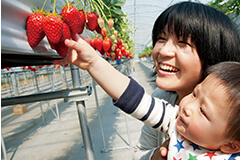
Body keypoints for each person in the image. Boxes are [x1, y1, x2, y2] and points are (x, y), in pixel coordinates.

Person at [52, 35, 240, 159]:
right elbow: (134, 98)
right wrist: (94, 63)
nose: (188, 107)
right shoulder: (175, 122)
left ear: (231, 145)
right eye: (194, 94)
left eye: (203, 111)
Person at [132, 1, 240, 159]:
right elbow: (140, 150)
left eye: (183, 43)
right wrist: (155, 156)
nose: (164, 51)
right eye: (161, 38)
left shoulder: (232, 122)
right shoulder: (162, 97)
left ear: (213, 55)